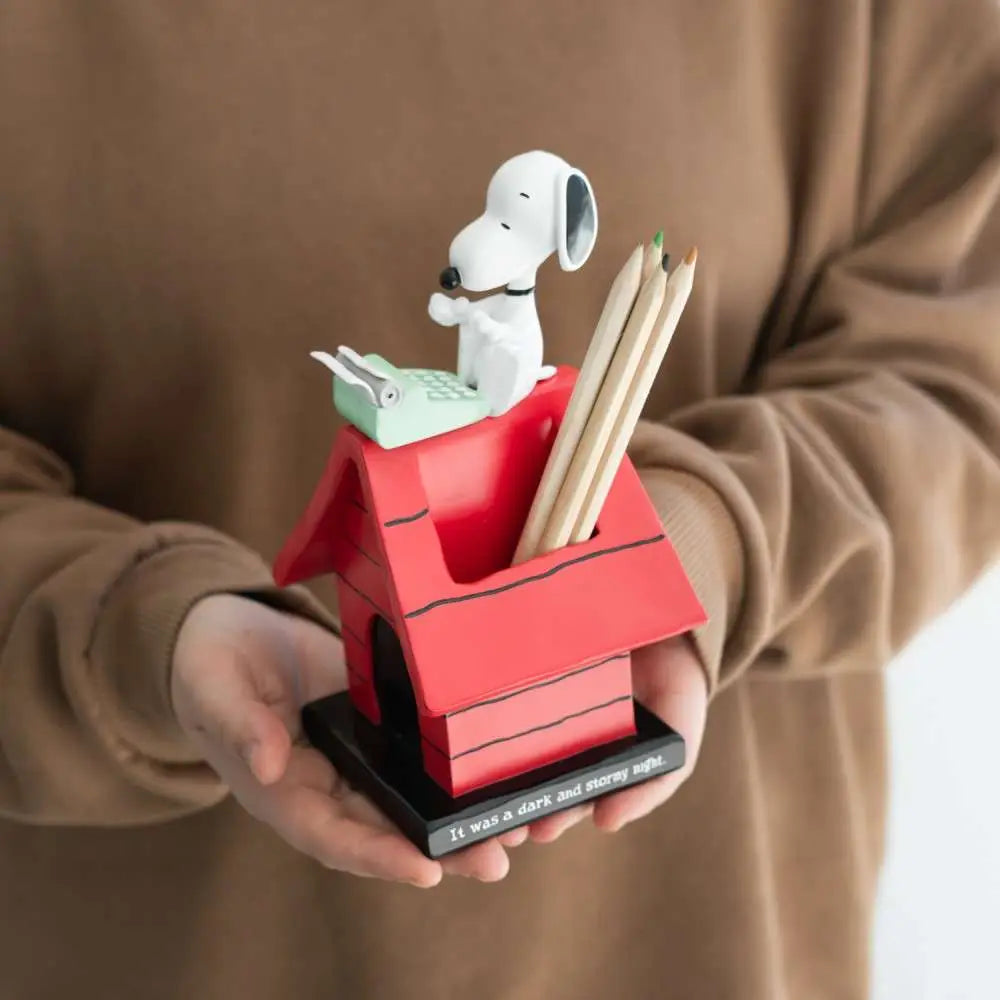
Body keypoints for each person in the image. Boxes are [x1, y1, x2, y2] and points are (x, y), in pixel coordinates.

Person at [1, 1, 998, 997]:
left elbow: (953, 364)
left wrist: (698, 538)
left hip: (705, 944)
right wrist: (134, 625)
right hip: (164, 948)